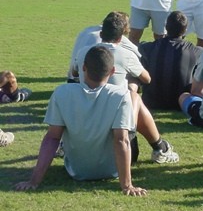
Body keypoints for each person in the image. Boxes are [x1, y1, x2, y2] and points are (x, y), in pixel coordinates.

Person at [15, 46, 178, 195]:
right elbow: (121, 141)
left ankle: (160, 146)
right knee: (134, 97)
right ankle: (160, 147)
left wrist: (33, 181)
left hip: (76, 170)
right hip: (112, 170)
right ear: (113, 71)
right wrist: (127, 185)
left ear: (84, 68)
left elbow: (52, 138)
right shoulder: (121, 95)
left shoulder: (61, 93)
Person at [139, 11, 203, 111]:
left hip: (152, 102)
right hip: (181, 103)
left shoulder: (147, 48)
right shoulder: (196, 52)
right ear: (185, 30)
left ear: (166, 26)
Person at [72, 12, 150, 91]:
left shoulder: (83, 51)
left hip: (86, 98)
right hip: (115, 100)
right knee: (133, 78)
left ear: (101, 34)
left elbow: (74, 73)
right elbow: (147, 79)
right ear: (120, 39)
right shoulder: (127, 55)